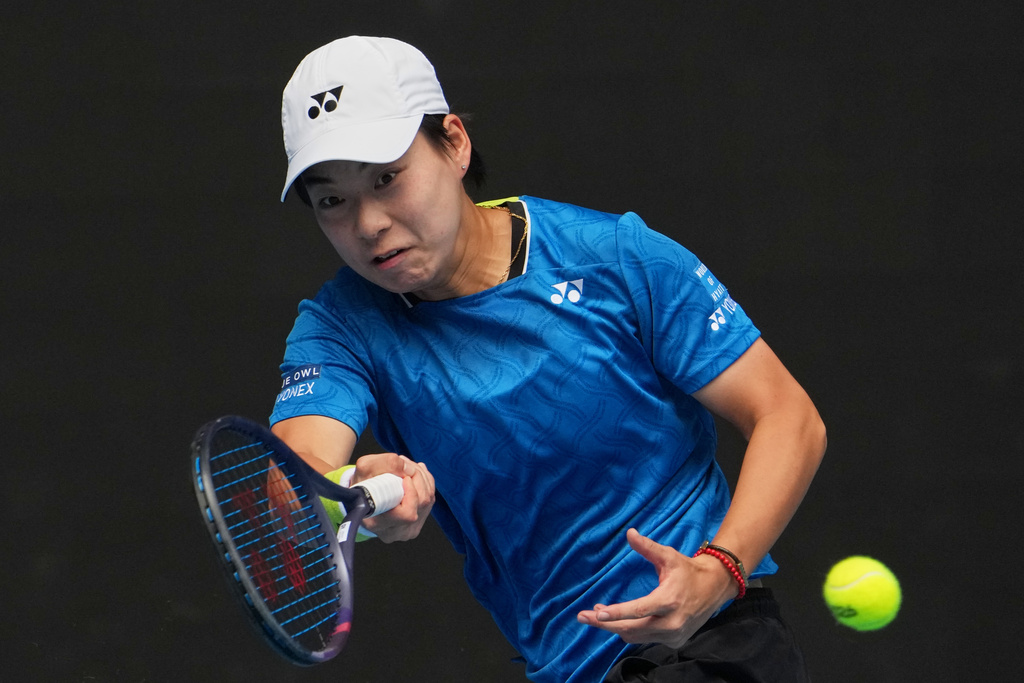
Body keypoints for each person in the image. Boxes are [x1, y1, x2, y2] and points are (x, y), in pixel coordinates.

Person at [269, 36, 826, 683]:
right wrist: (352, 487)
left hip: (711, 640)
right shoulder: (340, 325)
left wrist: (719, 570)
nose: (367, 223)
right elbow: (288, 481)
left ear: (453, 144)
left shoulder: (616, 256)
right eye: (332, 200)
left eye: (386, 179)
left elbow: (789, 415)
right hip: (565, 666)